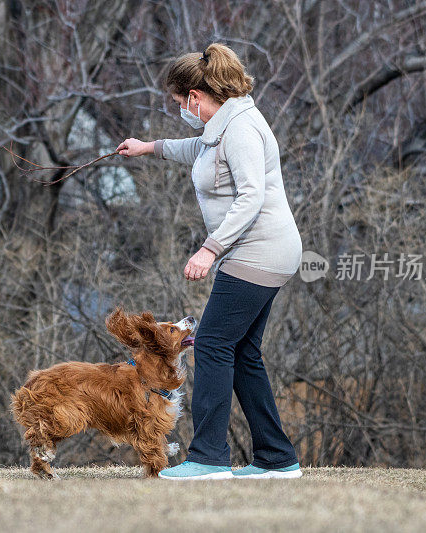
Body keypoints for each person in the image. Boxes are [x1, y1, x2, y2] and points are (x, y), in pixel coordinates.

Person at [116, 43, 303, 480]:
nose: (182, 110)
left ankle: (208, 459)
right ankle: (277, 459)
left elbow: (251, 196)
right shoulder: (226, 123)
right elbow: (198, 150)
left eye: (182, 103)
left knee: (214, 346)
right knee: (242, 352)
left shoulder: (239, 128)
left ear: (196, 97)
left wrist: (210, 248)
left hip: (256, 250)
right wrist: (150, 147)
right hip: (263, 250)